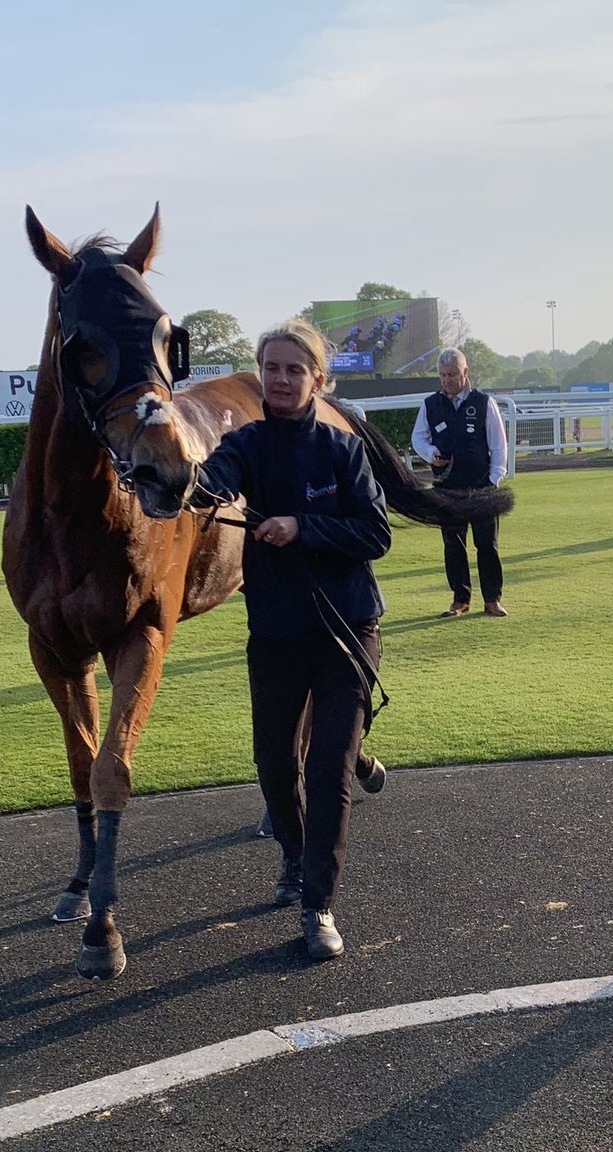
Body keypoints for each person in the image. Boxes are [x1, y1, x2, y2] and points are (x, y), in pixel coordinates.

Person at [178, 318, 392, 960]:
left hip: (347, 630)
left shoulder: (341, 450)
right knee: (274, 766)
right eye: (270, 367)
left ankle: (319, 903)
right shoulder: (245, 444)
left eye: (293, 369)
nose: (279, 378)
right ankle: (296, 859)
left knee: (328, 770)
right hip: (274, 634)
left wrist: (302, 526)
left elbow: (375, 535)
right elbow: (211, 478)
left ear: (316, 380)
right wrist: (180, 479)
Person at [411, 348, 509, 617]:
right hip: (446, 488)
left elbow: (498, 443)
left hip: (481, 486)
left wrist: (494, 478)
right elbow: (418, 438)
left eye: (452, 374)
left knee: (487, 544)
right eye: (442, 375)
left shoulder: (483, 403)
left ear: (465, 373)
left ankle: (492, 599)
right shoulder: (430, 404)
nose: (447, 380)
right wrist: (430, 453)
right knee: (453, 545)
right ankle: (460, 599)